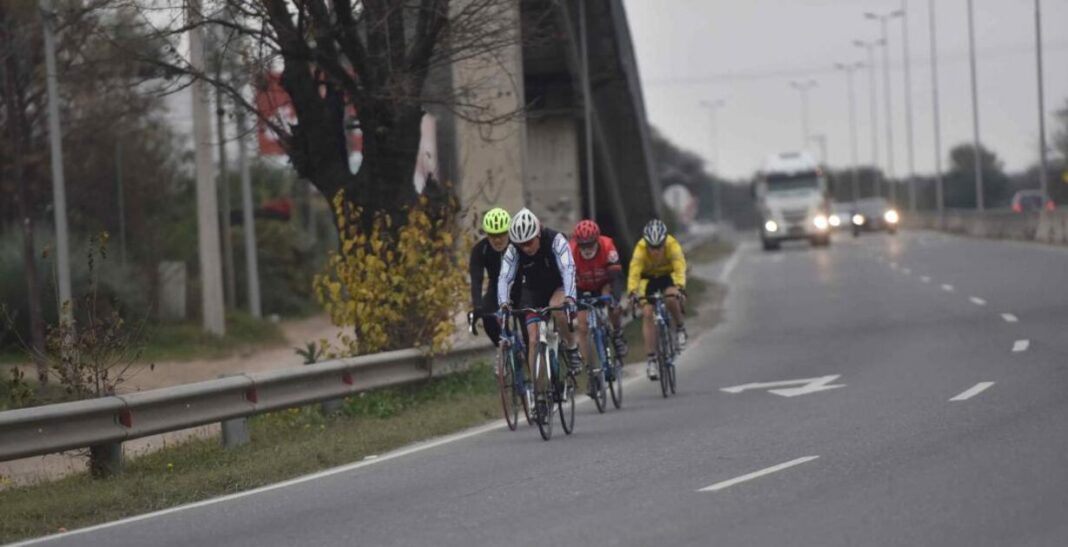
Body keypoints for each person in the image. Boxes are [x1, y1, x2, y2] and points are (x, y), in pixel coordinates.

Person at [498, 208, 583, 390]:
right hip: (532, 290)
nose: (526, 248)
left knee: (556, 307)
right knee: (534, 339)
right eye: (521, 245)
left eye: (528, 243)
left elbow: (568, 269)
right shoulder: (514, 249)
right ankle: (540, 394)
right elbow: (505, 277)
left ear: (537, 235)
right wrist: (503, 303)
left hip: (557, 286)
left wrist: (570, 298)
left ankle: (572, 348)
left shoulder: (555, 240)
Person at [627, 219, 687, 381]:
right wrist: (632, 291)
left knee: (672, 298)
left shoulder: (672, 245)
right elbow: (634, 272)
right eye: (651, 247)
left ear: (664, 242)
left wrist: (680, 287)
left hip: (668, 276)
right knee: (647, 313)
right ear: (646, 244)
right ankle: (652, 359)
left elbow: (680, 267)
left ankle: (680, 327)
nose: (655, 251)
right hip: (648, 280)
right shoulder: (640, 249)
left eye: (659, 247)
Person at [569, 219, 628, 372]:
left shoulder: (608, 246)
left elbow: (616, 276)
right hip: (581, 287)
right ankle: (591, 371)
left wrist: (615, 299)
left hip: (604, 284)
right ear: (577, 244)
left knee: (613, 305)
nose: (587, 249)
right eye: (583, 245)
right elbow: (567, 280)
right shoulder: (571, 251)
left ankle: (617, 334)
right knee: (582, 327)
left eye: (590, 244)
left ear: (597, 240)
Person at [468, 207, 514, 346]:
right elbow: (476, 280)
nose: (498, 240)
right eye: (493, 235)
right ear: (487, 234)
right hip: (496, 287)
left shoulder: (517, 246)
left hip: (519, 286)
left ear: (508, 232)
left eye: (502, 234)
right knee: (487, 317)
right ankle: (505, 350)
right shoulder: (480, 250)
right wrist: (477, 306)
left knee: (526, 324)